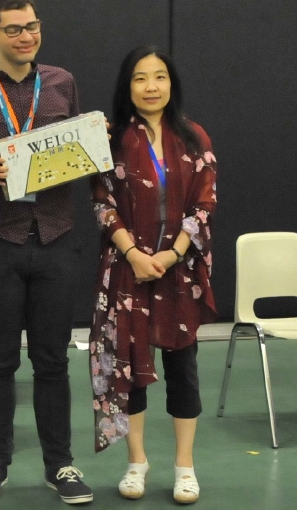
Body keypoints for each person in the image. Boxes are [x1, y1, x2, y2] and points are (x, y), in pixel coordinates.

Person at [0, 0, 93, 505]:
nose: (26, 36)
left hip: (55, 239)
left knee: (52, 360)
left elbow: (78, 151)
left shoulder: (62, 82)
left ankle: (61, 465)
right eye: (13, 29)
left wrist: (90, 143)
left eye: (32, 26)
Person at [89, 46, 217, 505]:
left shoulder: (194, 136)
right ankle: (136, 462)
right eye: (140, 78)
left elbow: (205, 203)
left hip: (179, 272)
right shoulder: (112, 140)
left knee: (183, 371)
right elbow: (102, 203)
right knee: (132, 369)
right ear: (128, 86)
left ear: (171, 83)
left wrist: (173, 253)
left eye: (159, 76)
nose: (151, 86)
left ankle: (185, 467)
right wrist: (134, 255)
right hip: (128, 271)